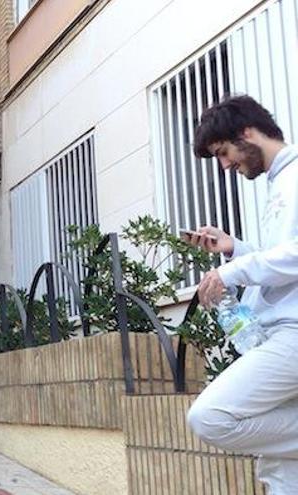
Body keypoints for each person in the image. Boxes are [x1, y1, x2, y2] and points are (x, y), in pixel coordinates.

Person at [184, 95, 298, 494]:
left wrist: (232, 269)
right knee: (280, 464)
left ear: (247, 133)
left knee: (210, 417)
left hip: (293, 335)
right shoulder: (279, 183)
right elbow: (281, 265)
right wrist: (234, 248)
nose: (225, 164)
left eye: (224, 152)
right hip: (278, 331)